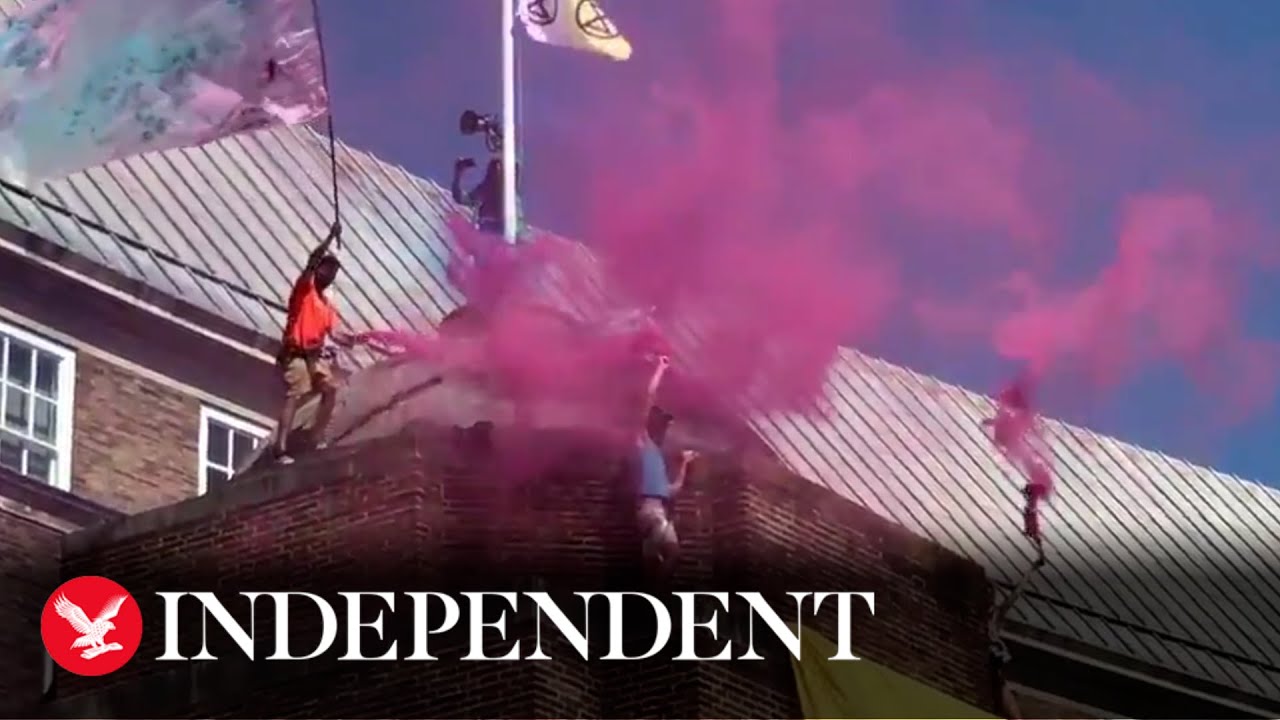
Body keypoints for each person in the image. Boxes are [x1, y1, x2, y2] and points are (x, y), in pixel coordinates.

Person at [273, 220, 353, 464]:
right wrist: (330, 237)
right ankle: (280, 449)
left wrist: (351, 340)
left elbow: (335, 334)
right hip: (295, 354)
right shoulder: (304, 290)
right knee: (296, 392)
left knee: (331, 389)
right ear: (318, 269)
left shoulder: (327, 306)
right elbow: (312, 258)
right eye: (325, 269)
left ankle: (315, 437)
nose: (328, 275)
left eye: (333, 273)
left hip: (313, 357)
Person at [632, 354, 698, 576]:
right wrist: (660, 369)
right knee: (662, 536)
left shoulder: (658, 458)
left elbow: (673, 489)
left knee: (673, 552)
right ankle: (649, 559)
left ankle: (653, 579)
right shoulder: (643, 442)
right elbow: (648, 397)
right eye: (663, 424)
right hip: (648, 511)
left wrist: (684, 464)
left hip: (659, 510)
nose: (666, 429)